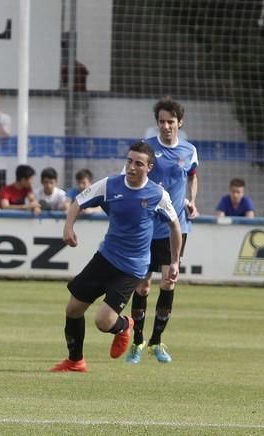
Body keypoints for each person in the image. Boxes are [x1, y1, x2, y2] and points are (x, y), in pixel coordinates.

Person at [51, 141, 181, 372]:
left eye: (138, 163)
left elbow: (175, 226)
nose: (132, 167)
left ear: (149, 167)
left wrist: (174, 262)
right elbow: (78, 202)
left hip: (132, 267)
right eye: (129, 161)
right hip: (106, 257)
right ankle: (75, 361)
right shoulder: (110, 185)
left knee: (103, 321)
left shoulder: (158, 194)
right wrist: (68, 227)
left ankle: (124, 326)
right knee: (73, 309)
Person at [126, 97, 199, 365]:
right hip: (147, 227)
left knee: (169, 280)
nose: (166, 126)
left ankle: (156, 341)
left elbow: (192, 177)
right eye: (161, 122)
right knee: (143, 286)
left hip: (176, 228)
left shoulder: (189, 151)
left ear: (180, 122)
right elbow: (132, 177)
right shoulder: (147, 150)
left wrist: (192, 200)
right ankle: (137, 342)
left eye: (170, 121)